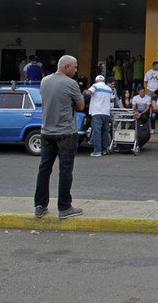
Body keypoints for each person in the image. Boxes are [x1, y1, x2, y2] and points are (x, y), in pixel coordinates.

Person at [33, 55, 84, 219]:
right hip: (66, 132)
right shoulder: (71, 84)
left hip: (46, 131)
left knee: (44, 169)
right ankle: (64, 207)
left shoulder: (45, 81)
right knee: (65, 170)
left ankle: (40, 205)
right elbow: (80, 106)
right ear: (66, 67)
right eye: (74, 67)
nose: (76, 71)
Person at [82, 75, 112, 157]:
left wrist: (84, 91)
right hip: (106, 112)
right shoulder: (109, 88)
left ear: (96, 81)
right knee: (105, 132)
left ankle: (97, 151)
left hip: (97, 112)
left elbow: (89, 93)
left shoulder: (95, 86)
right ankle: (104, 149)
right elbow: (111, 99)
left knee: (97, 132)